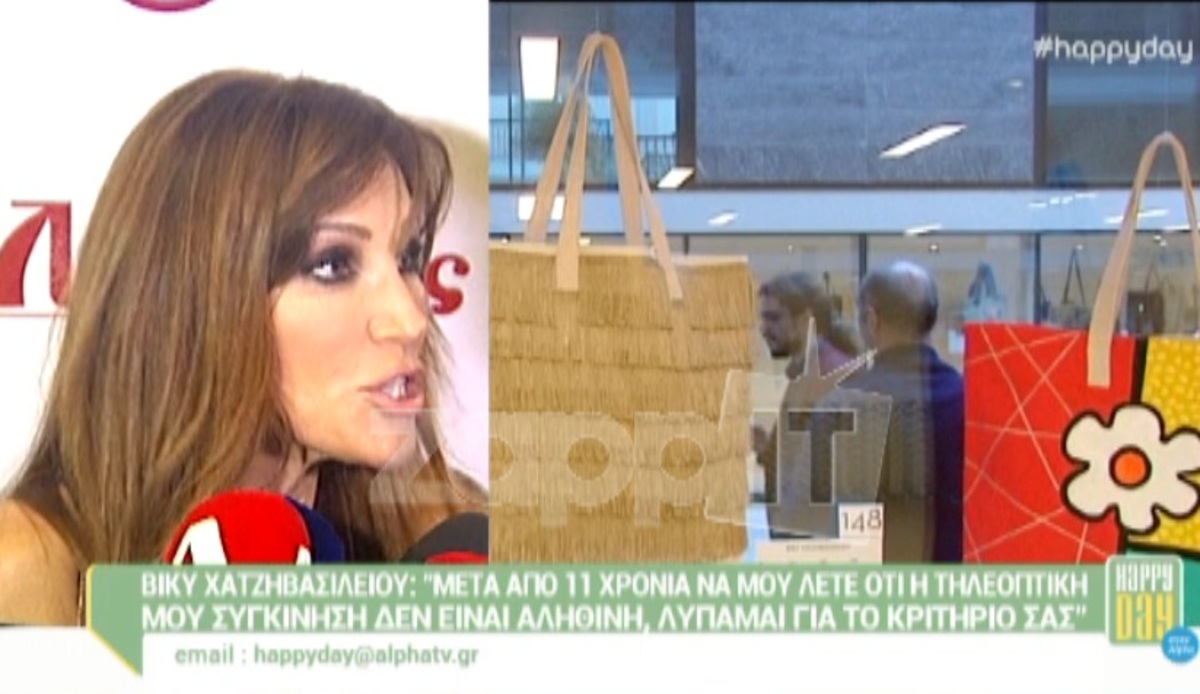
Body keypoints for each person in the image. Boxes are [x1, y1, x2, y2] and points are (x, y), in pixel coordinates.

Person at [0, 69, 485, 625]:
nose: (411, 319)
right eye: (333, 265)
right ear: (197, 299)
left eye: (408, 258)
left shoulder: (450, 543)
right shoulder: (28, 569)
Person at [815, 260, 964, 562]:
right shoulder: (970, 400)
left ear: (872, 319)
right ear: (932, 320)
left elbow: (819, 522)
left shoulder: (841, 407)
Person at [752, 271, 862, 528]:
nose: (764, 329)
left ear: (805, 320)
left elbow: (830, 474)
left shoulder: (833, 375)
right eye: (763, 318)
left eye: (774, 318)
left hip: (819, 538)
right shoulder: (808, 372)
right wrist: (766, 448)